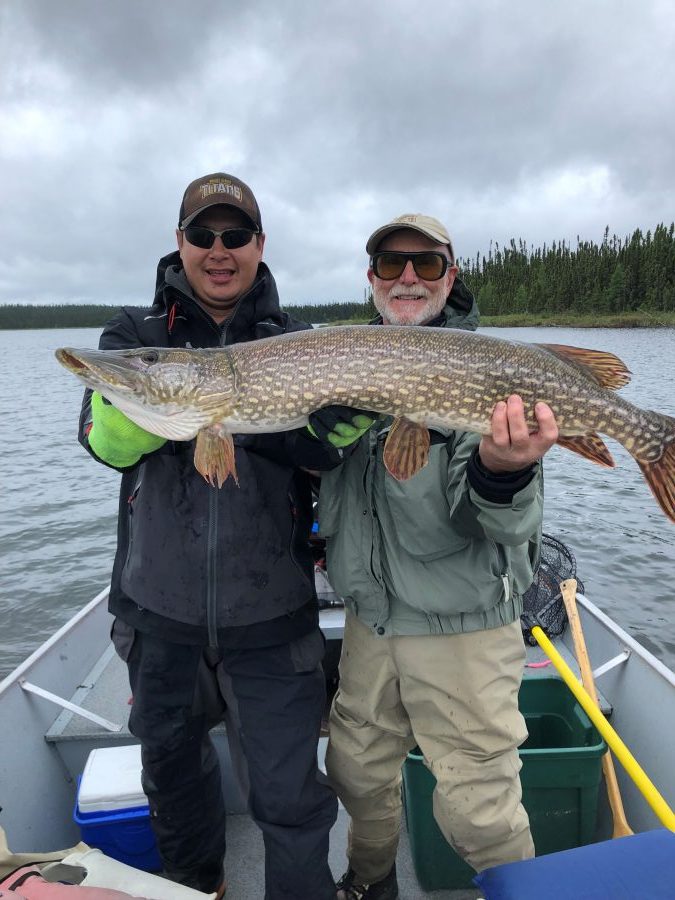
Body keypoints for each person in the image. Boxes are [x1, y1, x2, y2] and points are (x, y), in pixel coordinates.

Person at [76, 172, 371, 900]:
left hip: (270, 619)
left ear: (258, 246)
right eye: (202, 235)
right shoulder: (134, 336)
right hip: (157, 617)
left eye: (233, 236)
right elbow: (102, 443)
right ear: (179, 244)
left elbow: (318, 462)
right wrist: (128, 406)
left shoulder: (296, 342)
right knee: (174, 789)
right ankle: (197, 889)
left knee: (289, 800)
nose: (218, 249)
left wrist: (327, 439)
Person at [319, 214, 560, 900]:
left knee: (477, 806)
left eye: (424, 265)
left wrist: (501, 470)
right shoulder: (340, 364)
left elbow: (495, 521)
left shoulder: (481, 369)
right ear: (370, 280)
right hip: (373, 619)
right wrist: (311, 453)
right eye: (390, 265)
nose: (406, 278)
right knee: (357, 772)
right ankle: (369, 885)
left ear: (448, 277)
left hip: (463, 624)